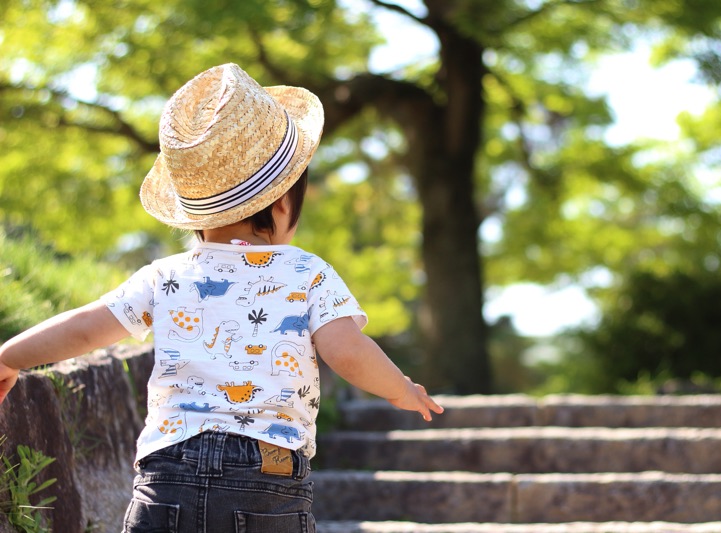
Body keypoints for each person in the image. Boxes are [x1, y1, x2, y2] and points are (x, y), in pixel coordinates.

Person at [0, 63, 443, 532]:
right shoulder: (307, 272)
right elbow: (348, 352)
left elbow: (88, 326)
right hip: (266, 477)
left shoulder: (165, 275)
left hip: (166, 474)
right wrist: (401, 389)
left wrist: (10, 356)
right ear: (282, 204)